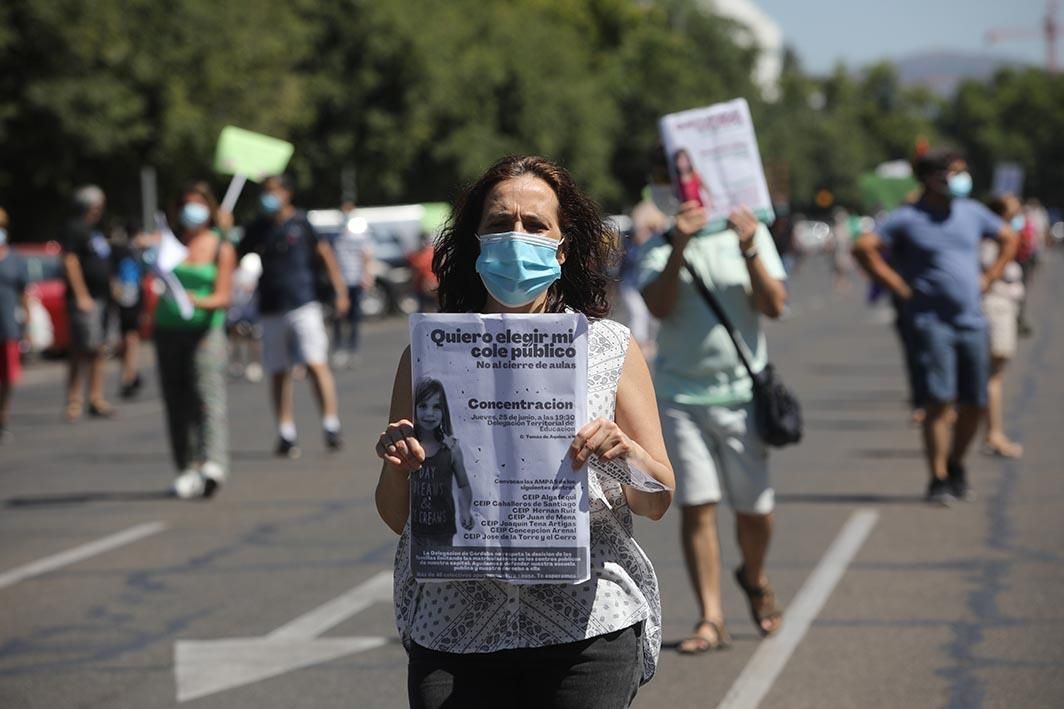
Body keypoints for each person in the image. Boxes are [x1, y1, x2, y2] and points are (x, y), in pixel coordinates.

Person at [374, 155, 674, 709]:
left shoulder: (608, 346)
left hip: (587, 627)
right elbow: (398, 518)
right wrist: (401, 466)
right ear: (474, 243)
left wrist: (622, 451)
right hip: (455, 631)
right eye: (498, 224)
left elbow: (657, 498)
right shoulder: (430, 355)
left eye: (535, 225)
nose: (517, 236)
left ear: (562, 249)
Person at [639, 194, 788, 653]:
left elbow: (775, 304)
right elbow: (658, 307)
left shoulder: (749, 230)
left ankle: (754, 575)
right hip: (681, 395)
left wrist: (749, 249)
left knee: (755, 511)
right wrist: (679, 244)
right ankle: (712, 617)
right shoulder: (661, 245)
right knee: (698, 505)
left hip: (742, 396)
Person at [854, 149, 1018, 505]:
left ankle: (956, 463)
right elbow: (864, 246)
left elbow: (1009, 238)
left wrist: (990, 276)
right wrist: (895, 285)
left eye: (963, 172)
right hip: (931, 323)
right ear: (931, 179)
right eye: (953, 173)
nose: (961, 179)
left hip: (972, 321)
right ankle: (938, 476)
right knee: (939, 401)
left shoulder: (972, 212)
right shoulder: (908, 219)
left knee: (974, 402)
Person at [238, 174, 349, 456]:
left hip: (303, 303)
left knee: (316, 364)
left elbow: (325, 254)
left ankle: (330, 424)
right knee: (278, 371)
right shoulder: (258, 227)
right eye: (265, 192)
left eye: (273, 192)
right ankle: (286, 432)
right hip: (271, 307)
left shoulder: (301, 223)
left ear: (287, 193)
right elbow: (236, 253)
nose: (269, 197)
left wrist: (339, 290)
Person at [154, 184, 236, 499]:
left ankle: (213, 463)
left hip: (205, 330)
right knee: (176, 400)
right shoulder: (170, 243)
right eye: (186, 204)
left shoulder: (220, 246)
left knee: (207, 396)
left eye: (198, 204)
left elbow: (224, 295)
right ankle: (187, 465)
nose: (192, 210)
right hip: (168, 328)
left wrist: (197, 301)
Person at [61, 185, 114, 421]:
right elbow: (70, 262)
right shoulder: (74, 228)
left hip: (102, 299)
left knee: (99, 350)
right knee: (82, 349)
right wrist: (81, 295)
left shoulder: (96, 231)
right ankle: (74, 400)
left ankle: (95, 397)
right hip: (86, 300)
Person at [981, 195, 1025, 459]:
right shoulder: (992, 240)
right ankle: (993, 433)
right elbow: (988, 273)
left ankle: (992, 431)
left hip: (1000, 307)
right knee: (993, 375)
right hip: (995, 308)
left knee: (993, 374)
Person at [409, 378, 473, 544]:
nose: (429, 413)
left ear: (444, 410)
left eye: (436, 407)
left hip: (443, 531)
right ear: (414, 409)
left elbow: (463, 484)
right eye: (423, 406)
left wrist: (465, 510)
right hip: (415, 531)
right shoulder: (408, 446)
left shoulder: (451, 449)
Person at [330, 206, 374, 368]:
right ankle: (339, 349)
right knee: (338, 316)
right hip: (341, 282)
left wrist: (367, 276)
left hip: (356, 281)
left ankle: (352, 349)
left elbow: (366, 256)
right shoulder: (336, 236)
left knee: (354, 317)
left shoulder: (361, 236)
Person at [0, 207, 29, 442]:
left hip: (8, 326)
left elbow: (24, 293)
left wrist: (27, 323)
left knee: (8, 378)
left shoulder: (14, 259)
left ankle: (3, 418)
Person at [110, 221, 146, 399]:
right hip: (128, 298)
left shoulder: (132, 252)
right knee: (130, 338)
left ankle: (132, 371)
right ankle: (129, 375)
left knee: (129, 338)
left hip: (131, 297)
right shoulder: (127, 252)